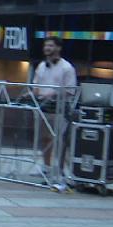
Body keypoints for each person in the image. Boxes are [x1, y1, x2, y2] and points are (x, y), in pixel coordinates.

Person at [32, 36, 78, 170]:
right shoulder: (41, 66)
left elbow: (70, 90)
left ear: (58, 48)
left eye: (51, 45)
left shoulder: (67, 67)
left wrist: (53, 93)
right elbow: (35, 85)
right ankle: (47, 168)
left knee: (60, 141)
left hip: (60, 109)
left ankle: (63, 171)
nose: (47, 48)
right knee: (45, 139)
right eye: (46, 45)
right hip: (43, 107)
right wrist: (33, 92)